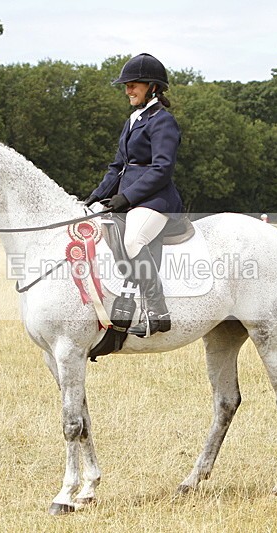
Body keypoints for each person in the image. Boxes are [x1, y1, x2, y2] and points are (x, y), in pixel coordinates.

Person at [84, 53, 182, 338]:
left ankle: (158, 312)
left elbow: (162, 168)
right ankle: (123, 302)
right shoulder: (133, 120)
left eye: (133, 84)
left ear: (152, 86)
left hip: (156, 200)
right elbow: (117, 166)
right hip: (130, 197)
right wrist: (94, 198)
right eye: (126, 85)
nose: (128, 90)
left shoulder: (163, 121)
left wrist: (126, 197)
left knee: (133, 239)